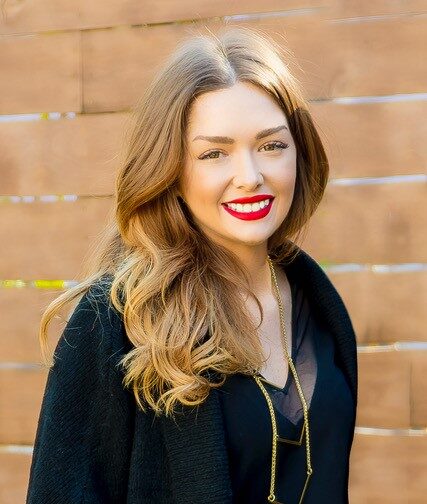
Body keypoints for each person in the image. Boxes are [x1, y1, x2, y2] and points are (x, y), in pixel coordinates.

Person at [26, 25, 358, 504]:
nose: (250, 176)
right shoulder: (116, 321)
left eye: (271, 145)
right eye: (214, 153)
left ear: (299, 153)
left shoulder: (318, 304)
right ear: (172, 170)